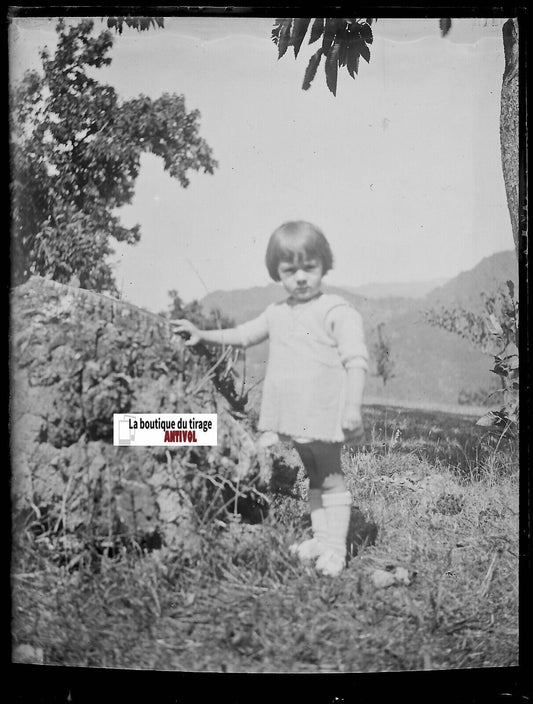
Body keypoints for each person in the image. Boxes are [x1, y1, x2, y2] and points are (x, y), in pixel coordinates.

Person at [171, 221, 368, 576]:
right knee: (314, 476)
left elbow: (356, 361)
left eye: (310, 268)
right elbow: (245, 334)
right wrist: (202, 334)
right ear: (277, 273)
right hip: (296, 416)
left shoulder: (336, 310)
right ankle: (321, 539)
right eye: (290, 271)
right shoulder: (277, 313)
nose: (301, 278)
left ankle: (336, 549)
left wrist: (352, 407)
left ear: (324, 264)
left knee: (331, 476)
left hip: (325, 413)